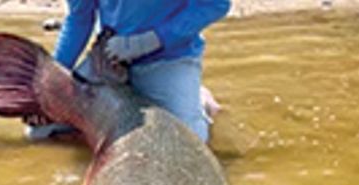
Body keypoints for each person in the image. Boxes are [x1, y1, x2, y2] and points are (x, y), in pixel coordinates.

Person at [26, 0, 231, 143]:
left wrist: (152, 40)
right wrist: (52, 82)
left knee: (190, 142)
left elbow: (215, 4)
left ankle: (199, 100)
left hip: (168, 57)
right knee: (40, 131)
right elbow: (80, 18)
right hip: (108, 58)